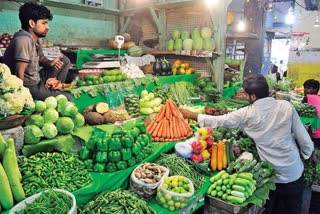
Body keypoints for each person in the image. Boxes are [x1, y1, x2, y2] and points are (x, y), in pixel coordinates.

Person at [180, 73, 314, 214]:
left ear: (253, 97)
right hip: (293, 171)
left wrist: (191, 115)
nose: (243, 96)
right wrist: (307, 154)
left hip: (270, 176)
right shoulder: (286, 106)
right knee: (293, 209)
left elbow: (221, 121)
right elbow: (303, 137)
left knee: (271, 209)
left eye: (245, 93)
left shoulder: (248, 113)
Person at [3, 2, 72, 101]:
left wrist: (51, 63)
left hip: (37, 78)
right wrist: (22, 97)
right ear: (32, 23)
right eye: (44, 23)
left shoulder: (35, 39)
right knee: (68, 98)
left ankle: (53, 87)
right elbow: (19, 73)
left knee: (64, 61)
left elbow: (41, 59)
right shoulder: (23, 40)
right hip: (30, 86)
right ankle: (52, 94)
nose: (48, 27)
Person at [302, 79, 320, 146]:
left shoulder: (307, 97)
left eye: (308, 88)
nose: (305, 90)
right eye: (305, 88)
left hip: (314, 136)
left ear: (315, 89)